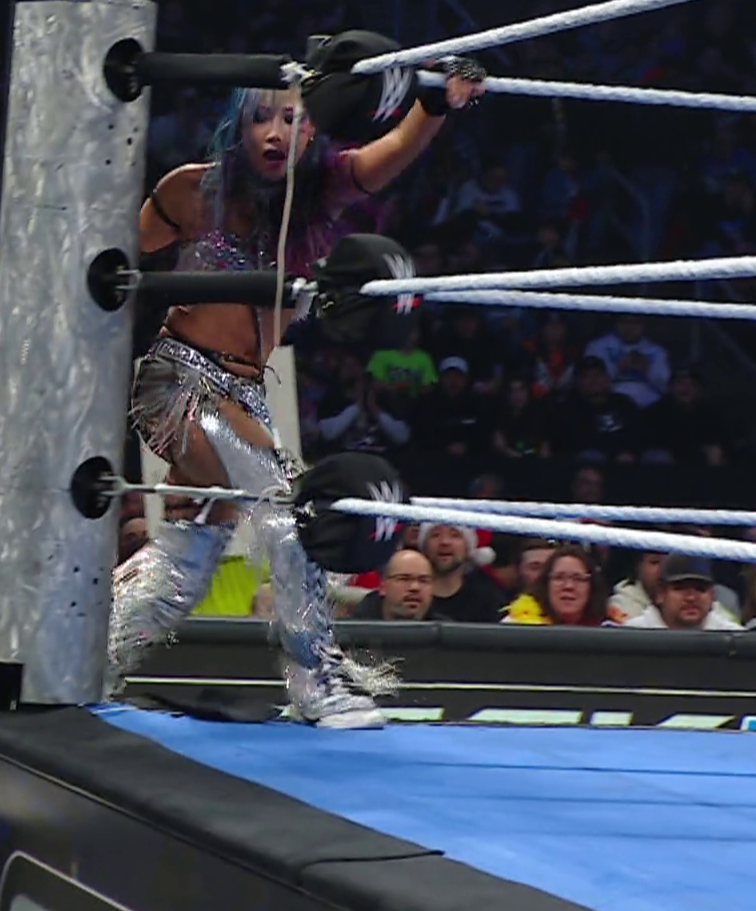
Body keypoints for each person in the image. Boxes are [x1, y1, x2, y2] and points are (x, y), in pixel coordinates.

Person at [109, 65, 485, 728]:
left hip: (245, 393)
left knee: (184, 569)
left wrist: (434, 101)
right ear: (239, 124)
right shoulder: (194, 190)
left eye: (291, 118)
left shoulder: (317, 196)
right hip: (178, 381)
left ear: (310, 129)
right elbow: (111, 258)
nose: (276, 132)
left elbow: (390, 153)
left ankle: (82, 660)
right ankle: (315, 684)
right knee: (291, 512)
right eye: (261, 117)